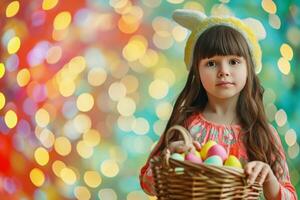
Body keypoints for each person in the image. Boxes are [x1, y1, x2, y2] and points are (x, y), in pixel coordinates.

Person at [139, 9, 298, 199]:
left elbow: (290, 196)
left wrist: (269, 178)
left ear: (249, 68)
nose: (224, 71)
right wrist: (169, 156)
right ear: (196, 70)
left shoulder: (262, 134)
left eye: (234, 61)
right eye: (212, 63)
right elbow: (147, 182)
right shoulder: (186, 125)